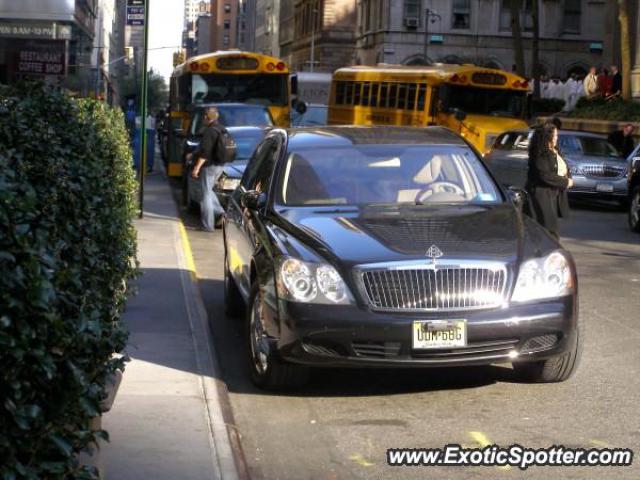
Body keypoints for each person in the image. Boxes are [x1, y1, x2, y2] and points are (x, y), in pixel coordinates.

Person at [525, 122, 573, 239]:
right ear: (547, 136)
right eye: (555, 135)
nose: (557, 138)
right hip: (540, 195)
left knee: (549, 229)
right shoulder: (539, 153)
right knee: (548, 231)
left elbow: (563, 166)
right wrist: (566, 182)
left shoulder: (555, 150)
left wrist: (569, 177)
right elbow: (544, 175)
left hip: (552, 194)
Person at [191, 107, 225, 231]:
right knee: (209, 191)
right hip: (220, 165)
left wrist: (196, 168)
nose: (203, 119)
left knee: (205, 195)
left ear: (206, 117)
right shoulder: (222, 129)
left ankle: (207, 225)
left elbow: (205, 153)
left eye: (204, 117)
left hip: (209, 166)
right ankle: (220, 212)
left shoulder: (210, 131)